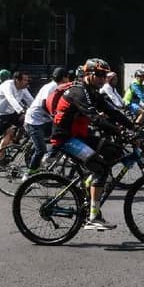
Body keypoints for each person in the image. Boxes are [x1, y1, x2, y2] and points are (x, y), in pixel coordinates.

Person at [51, 58, 134, 230]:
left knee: (114, 151)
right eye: (100, 75)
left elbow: (112, 111)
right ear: (88, 74)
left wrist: (133, 127)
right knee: (101, 168)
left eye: (105, 75)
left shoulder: (92, 91)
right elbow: (94, 117)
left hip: (80, 136)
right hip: (65, 139)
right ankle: (93, 216)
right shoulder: (79, 92)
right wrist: (119, 131)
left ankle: (89, 186)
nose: (103, 79)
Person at [23, 67, 70, 179]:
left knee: (63, 133)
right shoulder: (52, 87)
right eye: (67, 77)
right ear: (63, 77)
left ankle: (53, 156)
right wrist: (55, 116)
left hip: (44, 119)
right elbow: (45, 104)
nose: (69, 79)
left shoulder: (59, 87)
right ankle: (28, 175)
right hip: (34, 121)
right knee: (41, 150)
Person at [0, 70, 33, 158]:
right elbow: (11, 98)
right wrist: (21, 110)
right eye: (25, 80)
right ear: (17, 80)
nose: (27, 82)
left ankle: (15, 141)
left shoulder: (23, 88)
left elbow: (30, 100)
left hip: (11, 112)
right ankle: (0, 157)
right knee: (9, 132)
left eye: (28, 80)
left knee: (27, 121)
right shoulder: (7, 85)